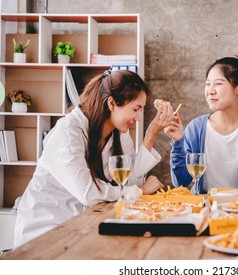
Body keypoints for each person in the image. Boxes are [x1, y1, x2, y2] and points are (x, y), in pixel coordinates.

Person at [14, 69, 175, 248]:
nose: (138, 118)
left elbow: (130, 181)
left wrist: (151, 134)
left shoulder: (118, 133)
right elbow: (88, 193)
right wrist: (139, 191)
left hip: (82, 224)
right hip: (45, 230)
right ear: (112, 103)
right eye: (135, 109)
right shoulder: (68, 132)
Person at [165, 56, 238, 194]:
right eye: (207, 84)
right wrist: (177, 142)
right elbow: (181, 182)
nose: (210, 91)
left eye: (218, 84)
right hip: (204, 207)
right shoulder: (196, 128)